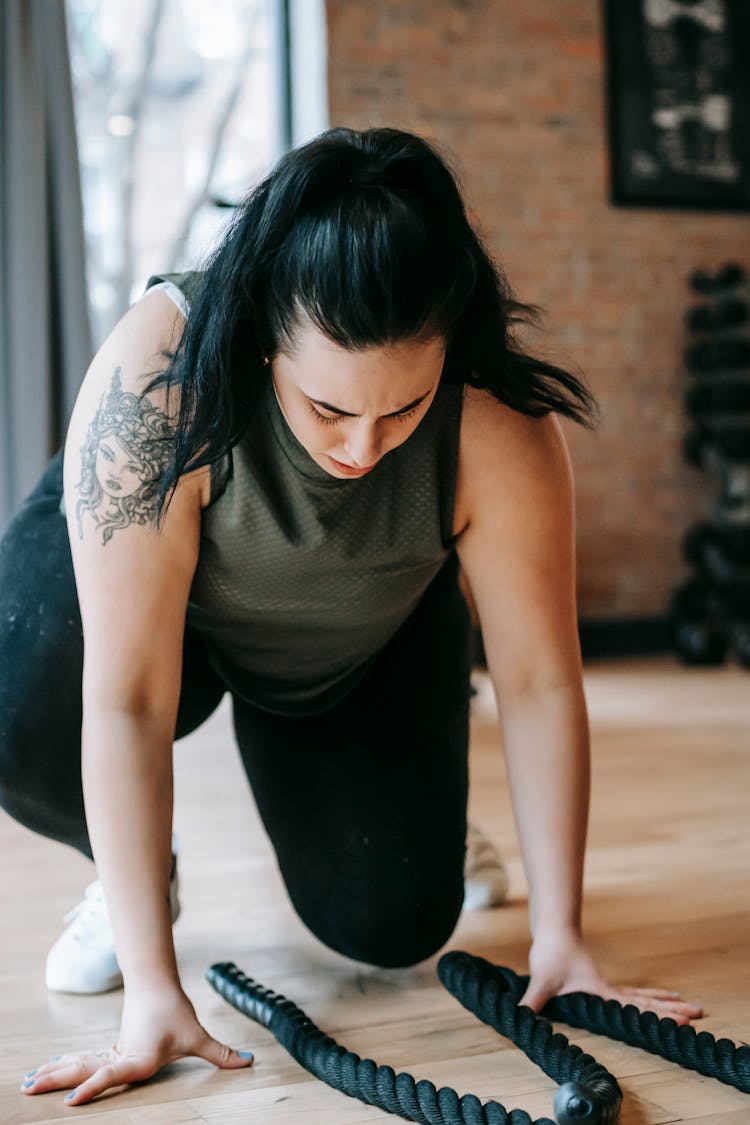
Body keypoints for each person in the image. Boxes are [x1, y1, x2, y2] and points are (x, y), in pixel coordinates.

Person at [0, 126, 702, 1108]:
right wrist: (153, 993)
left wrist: (562, 937)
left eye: (402, 409)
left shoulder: (501, 427)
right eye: (329, 409)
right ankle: (131, 884)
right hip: (166, 613)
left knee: (389, 927)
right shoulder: (160, 378)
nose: (365, 449)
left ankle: (434, 805)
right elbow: (126, 697)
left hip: (357, 638)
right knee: (15, 717)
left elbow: (541, 683)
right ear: (264, 337)